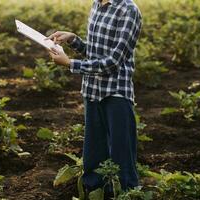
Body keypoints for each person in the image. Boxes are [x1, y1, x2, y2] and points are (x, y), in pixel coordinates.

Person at [47, 0, 142, 197]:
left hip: (116, 92)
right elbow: (96, 52)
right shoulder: (96, 5)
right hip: (92, 90)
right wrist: (73, 40)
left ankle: (127, 194)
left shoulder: (128, 10)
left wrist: (71, 64)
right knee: (93, 155)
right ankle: (94, 192)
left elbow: (113, 61)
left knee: (122, 155)